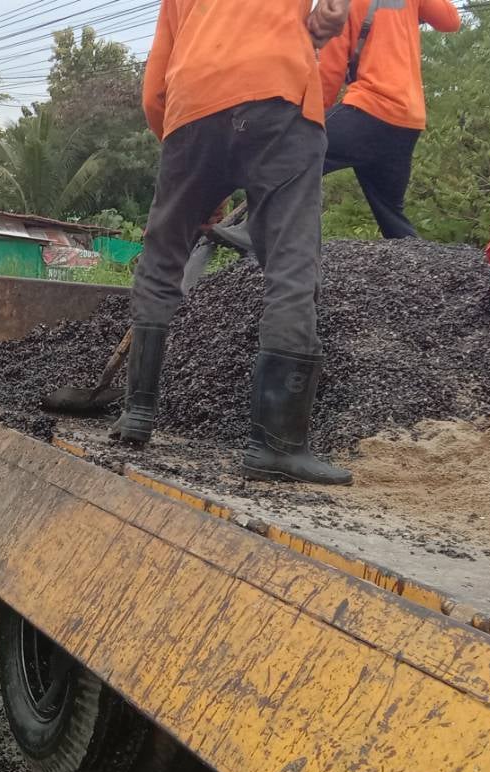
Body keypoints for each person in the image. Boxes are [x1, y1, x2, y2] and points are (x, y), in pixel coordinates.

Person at [112, 0, 353, 486]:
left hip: (191, 105)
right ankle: (276, 445)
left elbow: (154, 92)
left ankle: (138, 411)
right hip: (279, 95)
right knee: (290, 265)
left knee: (161, 257)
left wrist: (193, 174)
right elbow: (330, 14)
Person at [317, 0, 462, 239]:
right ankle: (417, 259)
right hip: (408, 120)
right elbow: (450, 21)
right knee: (390, 213)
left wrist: (311, 120)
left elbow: (329, 72)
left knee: (294, 150)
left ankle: (268, 238)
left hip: (369, 109)